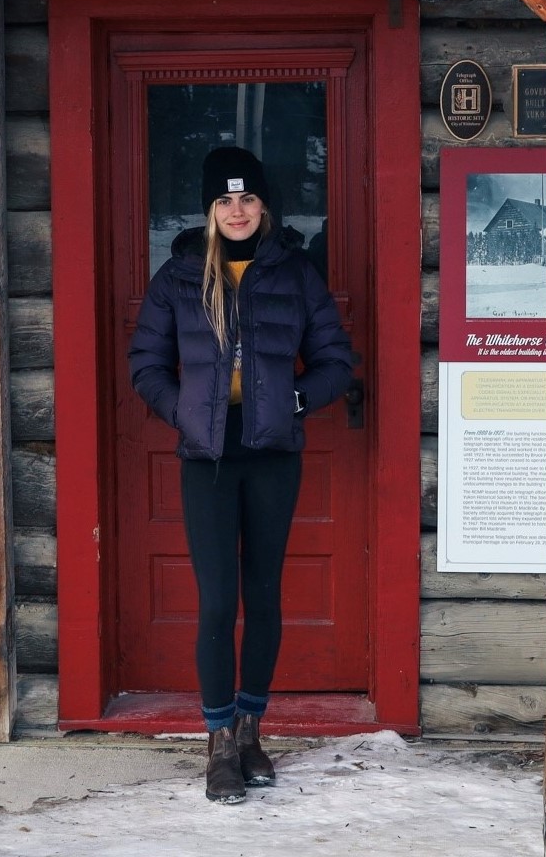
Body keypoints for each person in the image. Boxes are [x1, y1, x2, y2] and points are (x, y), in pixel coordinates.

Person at [128, 146, 353, 805]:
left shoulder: (294, 273)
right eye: (225, 201)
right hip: (209, 460)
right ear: (209, 209)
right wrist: (187, 412)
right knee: (219, 601)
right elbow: (145, 363)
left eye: (248, 199)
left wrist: (298, 399)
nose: (237, 211)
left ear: (265, 206)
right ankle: (220, 743)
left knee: (264, 596)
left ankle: (253, 733)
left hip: (273, 456)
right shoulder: (177, 277)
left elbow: (336, 359)